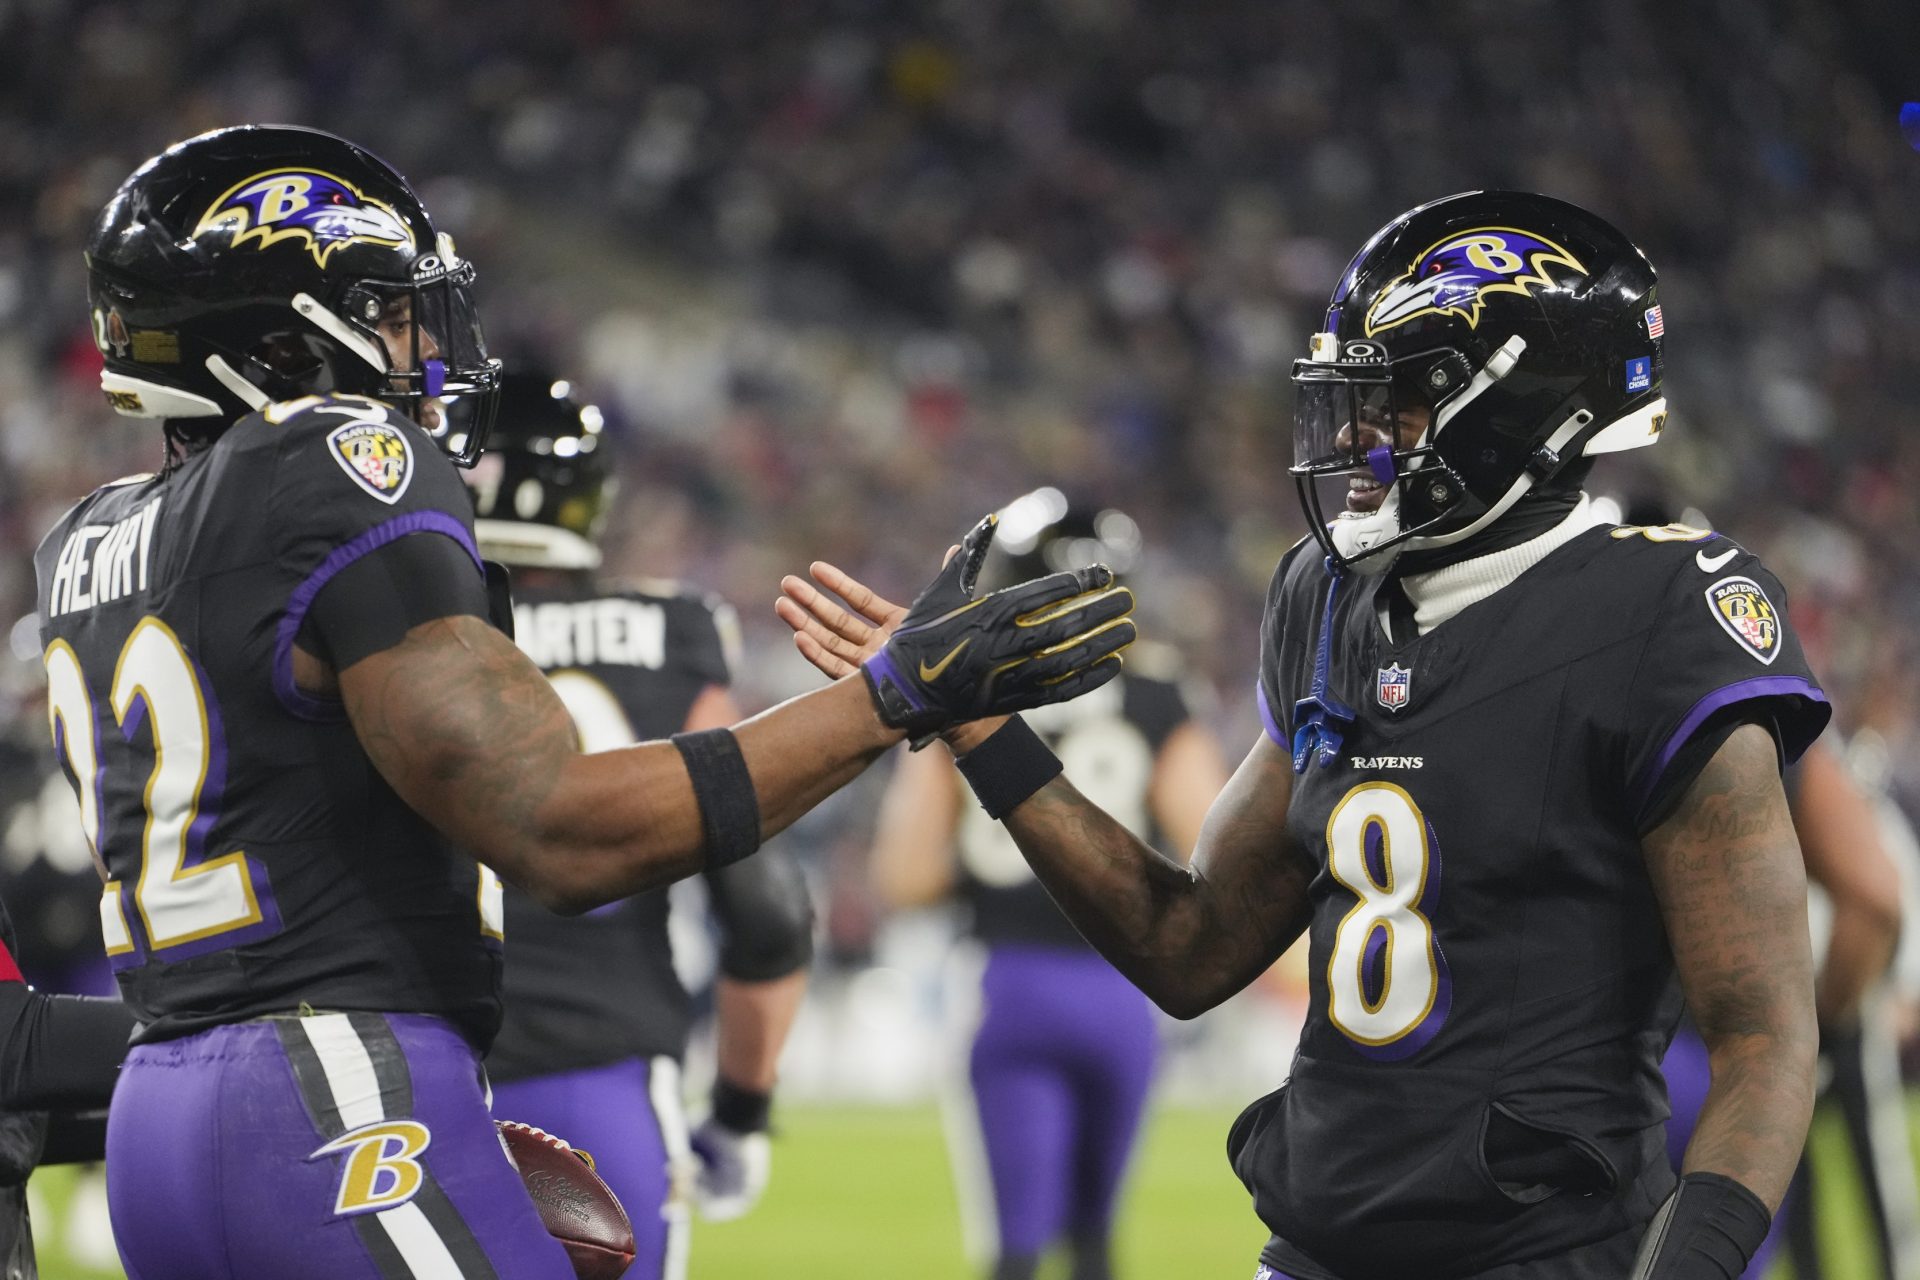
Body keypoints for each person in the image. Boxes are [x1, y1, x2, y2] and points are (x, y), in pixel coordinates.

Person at [38, 124, 1133, 1279]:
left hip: (159, 1116)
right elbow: (561, 827)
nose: (421, 349)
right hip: (334, 1097)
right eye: (390, 311)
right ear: (281, 336)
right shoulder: (332, 455)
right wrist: (892, 694)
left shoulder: (90, 536)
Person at [776, 191, 1832, 1278]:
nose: (1363, 434)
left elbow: (1762, 1033)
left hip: (1544, 1249)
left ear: (1532, 406)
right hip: (1320, 1245)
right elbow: (1188, 945)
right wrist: (984, 729)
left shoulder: (1661, 614)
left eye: (1403, 400)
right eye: (1359, 399)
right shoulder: (1328, 593)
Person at [470, 370, 814, 1280]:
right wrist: (741, 1110)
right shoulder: (670, 630)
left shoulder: (388, 631)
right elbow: (764, 905)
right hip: (600, 1071)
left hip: (405, 1078)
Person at [866, 490, 1227, 1280]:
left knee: (1017, 1253)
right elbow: (1217, 852)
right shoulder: (1161, 694)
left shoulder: (969, 692)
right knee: (1095, 1244)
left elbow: (905, 874)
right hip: (1123, 990)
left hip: (1006, 987)